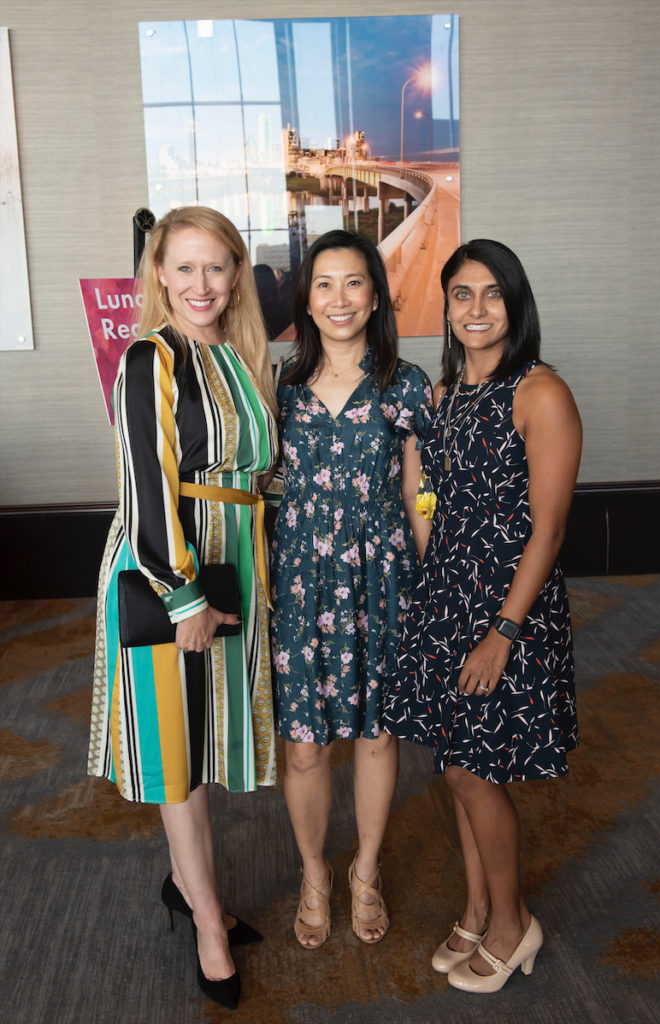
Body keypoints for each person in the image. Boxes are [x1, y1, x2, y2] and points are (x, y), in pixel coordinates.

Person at [87, 206, 279, 1010]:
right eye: (185, 268)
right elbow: (145, 486)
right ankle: (206, 921)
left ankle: (185, 884)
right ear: (159, 274)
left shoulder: (239, 357)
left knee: (200, 743)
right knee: (176, 752)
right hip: (173, 576)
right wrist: (184, 594)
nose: (202, 284)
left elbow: (256, 474)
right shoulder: (150, 358)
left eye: (218, 267)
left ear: (237, 275)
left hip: (235, 565)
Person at [382, 239, 582, 993]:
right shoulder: (444, 398)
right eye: (462, 295)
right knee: (458, 762)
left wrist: (502, 631)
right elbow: (431, 500)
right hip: (447, 600)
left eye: (492, 294)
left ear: (516, 303)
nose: (476, 309)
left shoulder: (541, 392)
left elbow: (550, 529)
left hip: (508, 609)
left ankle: (512, 922)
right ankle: (475, 909)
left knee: (472, 769)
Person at [270, 230, 432, 949]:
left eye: (355, 282)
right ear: (306, 299)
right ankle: (315, 873)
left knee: (375, 733)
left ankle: (365, 869)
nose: (340, 299)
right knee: (304, 745)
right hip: (302, 584)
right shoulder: (280, 384)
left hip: (381, 578)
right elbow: (264, 492)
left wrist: (430, 589)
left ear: (375, 296)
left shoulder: (406, 383)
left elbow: (418, 491)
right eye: (325, 284)